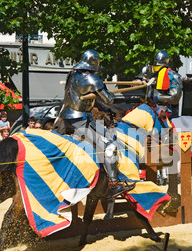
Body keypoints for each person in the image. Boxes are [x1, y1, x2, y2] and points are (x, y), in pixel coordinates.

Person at [53, 49, 135, 198]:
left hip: (70, 116)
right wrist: (103, 90)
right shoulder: (92, 79)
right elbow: (109, 99)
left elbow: (88, 99)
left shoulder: (73, 75)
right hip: (79, 120)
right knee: (109, 146)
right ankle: (113, 184)